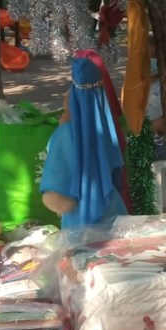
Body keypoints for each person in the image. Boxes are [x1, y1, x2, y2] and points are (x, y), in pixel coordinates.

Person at [40, 51, 128, 228]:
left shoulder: (65, 135)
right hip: (115, 219)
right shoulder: (107, 128)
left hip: (80, 226)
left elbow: (55, 197)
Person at [145, 34, 166, 162]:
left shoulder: (165, 86)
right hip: (146, 136)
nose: (150, 61)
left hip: (159, 139)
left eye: (154, 56)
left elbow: (162, 121)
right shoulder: (141, 84)